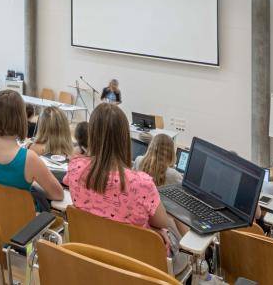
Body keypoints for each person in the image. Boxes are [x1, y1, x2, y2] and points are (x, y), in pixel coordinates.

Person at [64, 103, 183, 265]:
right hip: (138, 266)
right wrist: (154, 230)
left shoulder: (75, 167)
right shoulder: (142, 183)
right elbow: (162, 222)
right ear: (124, 138)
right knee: (173, 224)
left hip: (92, 257)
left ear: (91, 135)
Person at [0, 90, 64, 201]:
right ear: (21, 118)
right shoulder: (29, 159)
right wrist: (33, 188)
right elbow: (58, 195)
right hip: (23, 217)